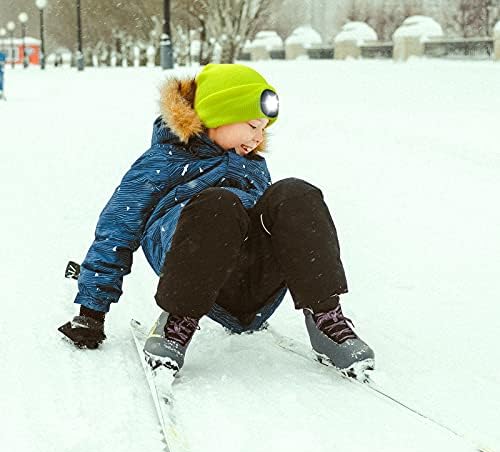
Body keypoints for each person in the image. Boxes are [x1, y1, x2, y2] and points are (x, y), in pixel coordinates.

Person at [58, 63, 374, 378]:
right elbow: (116, 232)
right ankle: (176, 323)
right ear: (220, 114)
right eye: (252, 125)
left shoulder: (253, 166)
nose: (258, 136)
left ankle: (327, 318)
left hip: (252, 281)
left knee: (295, 193)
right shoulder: (161, 162)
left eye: (264, 128)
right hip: (191, 272)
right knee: (218, 203)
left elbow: (279, 227)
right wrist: (91, 311)